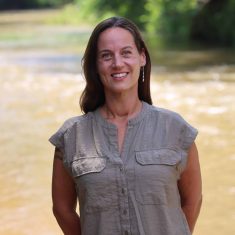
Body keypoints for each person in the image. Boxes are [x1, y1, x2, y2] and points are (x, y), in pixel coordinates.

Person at [49, 16, 202, 235]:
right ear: (95, 65)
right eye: (106, 56)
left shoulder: (176, 129)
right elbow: (62, 209)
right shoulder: (72, 136)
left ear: (142, 57)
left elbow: (192, 201)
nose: (117, 63)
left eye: (126, 52)